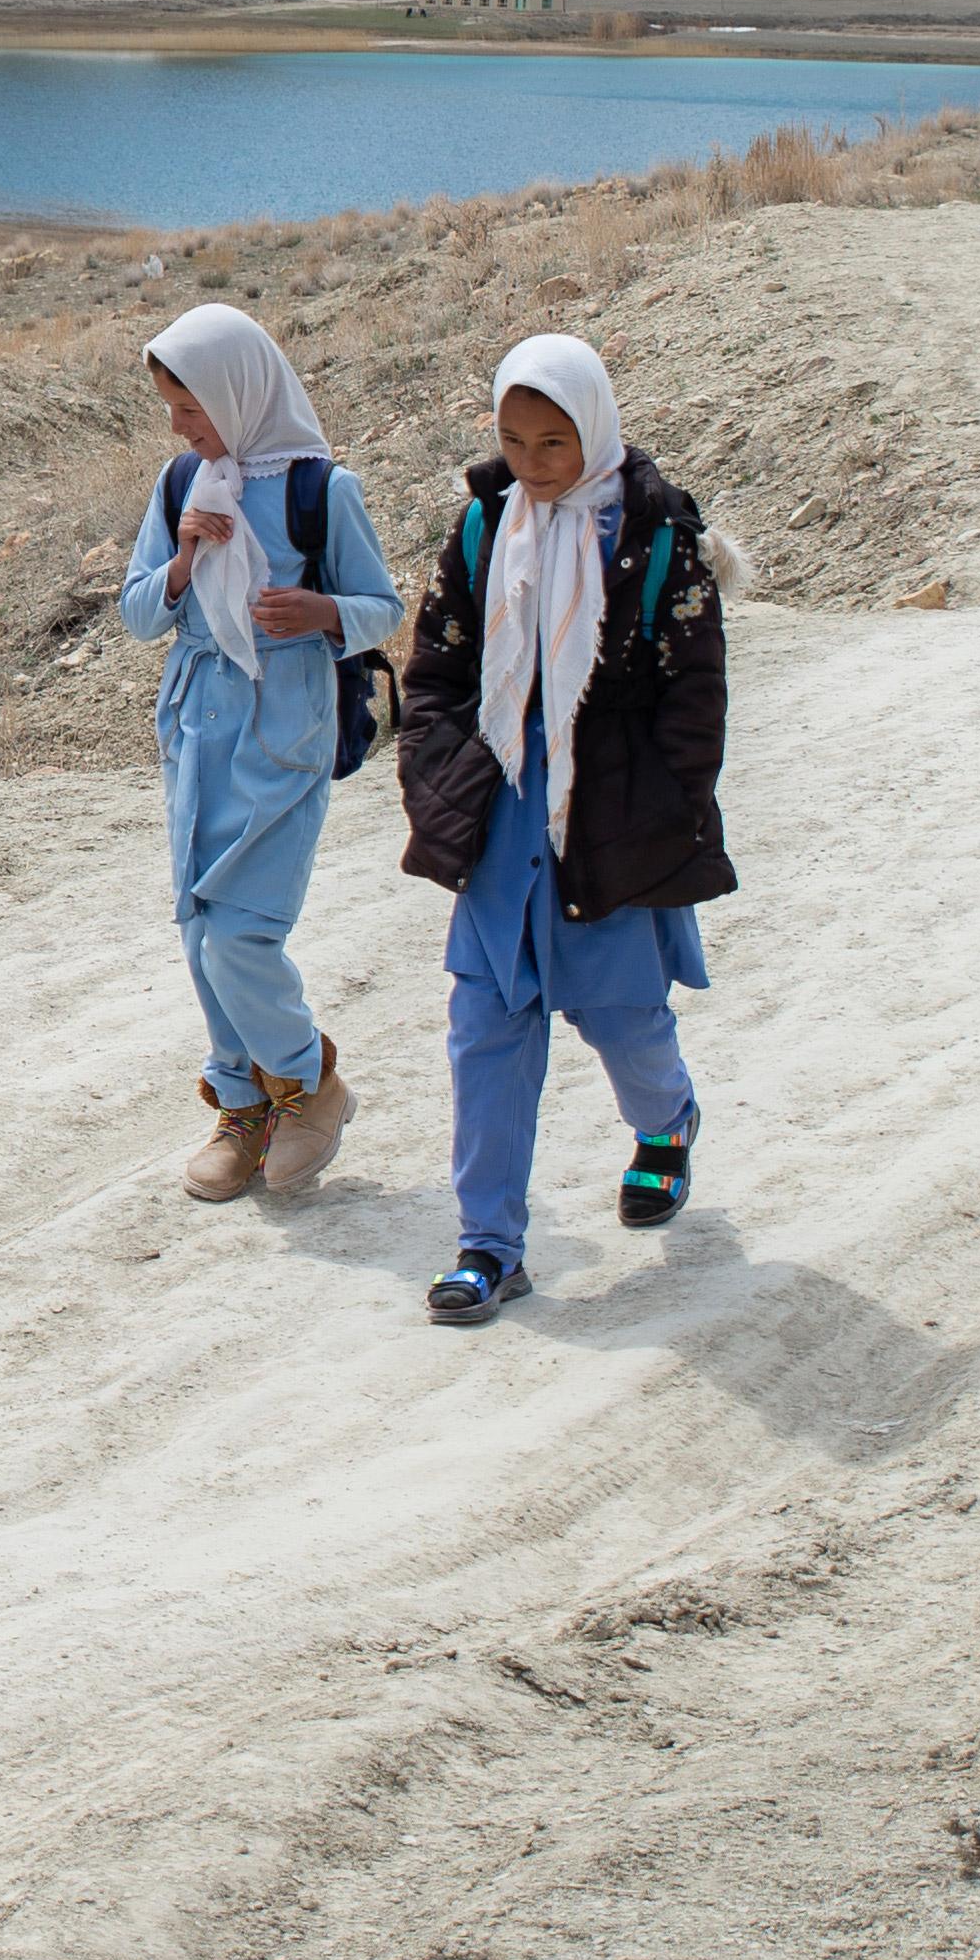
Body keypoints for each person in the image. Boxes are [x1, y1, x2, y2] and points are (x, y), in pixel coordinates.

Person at [387, 333, 735, 1326]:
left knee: (620, 1014)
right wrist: (440, 778)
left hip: (609, 814)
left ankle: (666, 1124)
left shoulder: (657, 536)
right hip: (503, 812)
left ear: (594, 429)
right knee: (484, 1028)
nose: (536, 465)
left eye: (555, 442)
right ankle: (487, 1247)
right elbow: (438, 672)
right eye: (514, 439)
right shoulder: (482, 529)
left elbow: (693, 695)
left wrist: (669, 808)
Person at [116, 300, 398, 1200]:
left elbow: (381, 610)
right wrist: (186, 561)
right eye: (171, 409)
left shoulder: (324, 491)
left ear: (239, 395)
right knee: (201, 930)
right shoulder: (180, 488)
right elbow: (135, 614)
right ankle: (244, 1108)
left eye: (191, 408)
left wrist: (322, 615)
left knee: (243, 932)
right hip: (199, 723)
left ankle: (309, 1080)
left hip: (286, 724)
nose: (179, 427)